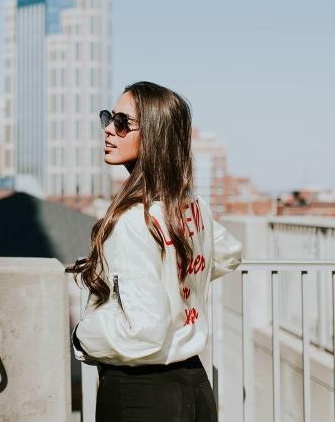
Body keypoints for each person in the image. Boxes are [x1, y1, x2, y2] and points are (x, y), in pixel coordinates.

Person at [67, 81, 242, 422]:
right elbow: (228, 252)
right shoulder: (188, 203)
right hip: (194, 387)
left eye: (121, 122)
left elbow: (143, 332)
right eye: (108, 117)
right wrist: (175, 283)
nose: (108, 129)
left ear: (155, 135)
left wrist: (83, 335)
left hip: (141, 393)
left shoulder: (134, 219)